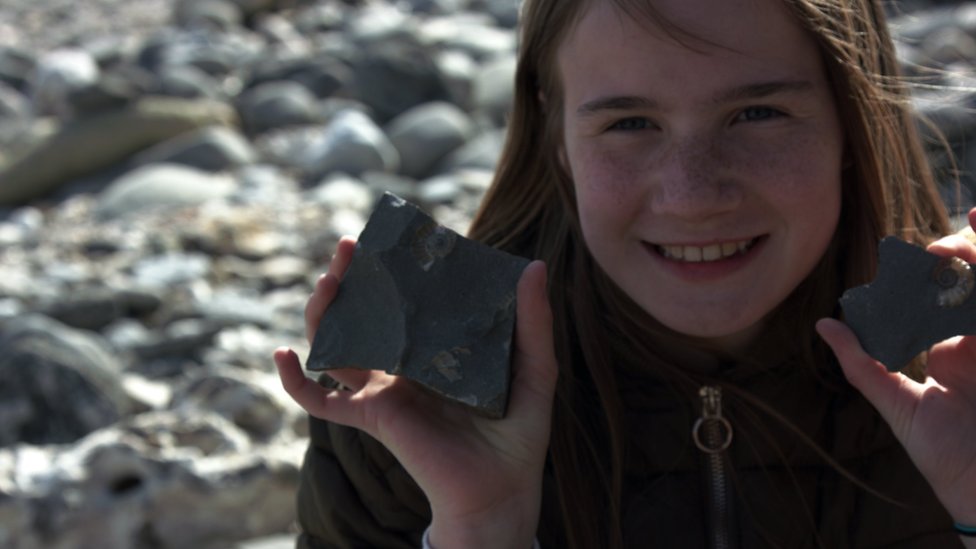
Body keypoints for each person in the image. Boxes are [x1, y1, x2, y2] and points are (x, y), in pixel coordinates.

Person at [272, 0, 976, 546]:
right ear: (556, 134)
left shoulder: (960, 368)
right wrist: (481, 529)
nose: (692, 195)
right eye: (630, 123)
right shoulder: (417, 392)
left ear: (849, 120)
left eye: (757, 113)